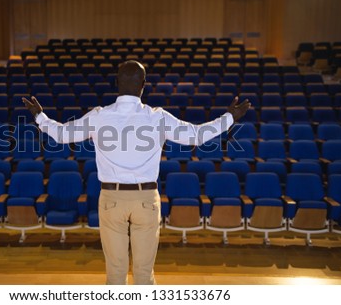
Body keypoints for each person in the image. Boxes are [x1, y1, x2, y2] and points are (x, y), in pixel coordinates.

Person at [23, 60, 250, 285]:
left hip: (111, 199)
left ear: (115, 83)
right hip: (146, 200)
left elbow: (62, 135)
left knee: (115, 274)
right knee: (144, 274)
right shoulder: (157, 117)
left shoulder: (99, 116)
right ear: (143, 85)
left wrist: (39, 116)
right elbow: (197, 136)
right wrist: (229, 118)